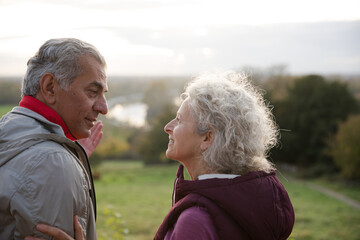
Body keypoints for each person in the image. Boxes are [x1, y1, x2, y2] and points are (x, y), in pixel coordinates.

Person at [25, 71, 294, 240]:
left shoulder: (197, 221)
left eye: (179, 119)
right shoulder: (254, 202)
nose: (167, 127)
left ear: (207, 138)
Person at [0, 38, 108, 240]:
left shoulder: (8, 129)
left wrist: (69, 154)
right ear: (50, 87)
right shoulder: (51, 163)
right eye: (93, 92)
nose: (104, 108)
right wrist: (60, 160)